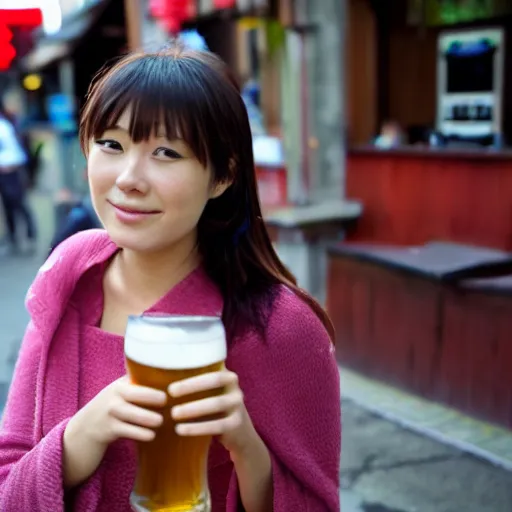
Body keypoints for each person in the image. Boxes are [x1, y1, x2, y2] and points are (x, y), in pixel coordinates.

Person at [0, 44, 341, 511]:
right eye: (111, 144)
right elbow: (7, 481)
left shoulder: (279, 326)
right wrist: (80, 437)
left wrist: (246, 446)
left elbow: (317, 503)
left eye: (166, 152)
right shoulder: (69, 275)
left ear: (222, 176)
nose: (128, 178)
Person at [0, 99, 37, 253]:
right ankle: (14, 239)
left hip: (11, 170)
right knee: (8, 206)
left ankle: (30, 237)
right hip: (5, 171)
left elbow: (14, 150)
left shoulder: (6, 125)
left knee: (19, 204)